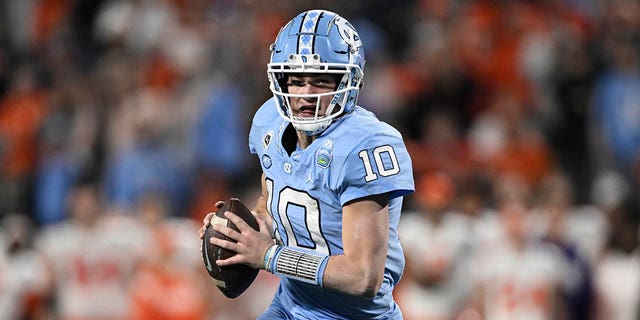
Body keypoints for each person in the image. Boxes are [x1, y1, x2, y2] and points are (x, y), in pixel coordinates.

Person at [199, 9, 414, 319]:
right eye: (296, 81)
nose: (306, 94)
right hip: (290, 306)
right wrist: (242, 231)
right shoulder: (269, 123)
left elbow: (363, 276)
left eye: (321, 81)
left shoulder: (364, 144)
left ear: (348, 82)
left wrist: (270, 256)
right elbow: (270, 205)